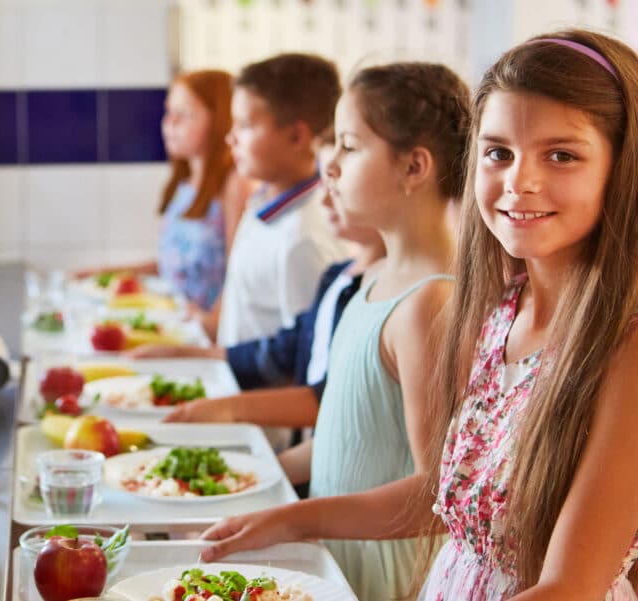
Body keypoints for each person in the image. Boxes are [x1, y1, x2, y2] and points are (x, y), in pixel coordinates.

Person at [202, 30, 638, 601]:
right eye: (498, 152)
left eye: (562, 155)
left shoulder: (622, 348)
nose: (518, 182)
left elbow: (569, 588)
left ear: (621, 169)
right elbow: (445, 499)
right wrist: (291, 517)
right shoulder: (500, 310)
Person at [199, 61, 472, 601]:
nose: (330, 169)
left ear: (414, 167)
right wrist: (254, 483)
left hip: (385, 578)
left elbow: (436, 494)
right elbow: (348, 442)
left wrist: (294, 518)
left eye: (349, 146)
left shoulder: (429, 302)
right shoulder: (372, 279)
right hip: (337, 560)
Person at [131, 132, 386, 455]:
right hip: (302, 454)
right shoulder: (339, 277)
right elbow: (285, 351)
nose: (323, 200)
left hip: (291, 445)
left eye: (350, 147)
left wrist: (230, 408)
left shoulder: (307, 243)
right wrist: (189, 354)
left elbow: (325, 400)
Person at [75, 70, 249, 318]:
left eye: (185, 115)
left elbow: (238, 273)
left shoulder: (234, 185)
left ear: (220, 119)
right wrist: (106, 273)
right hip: (174, 319)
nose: (170, 123)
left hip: (205, 334)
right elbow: (175, 268)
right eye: (169, 112)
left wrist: (210, 327)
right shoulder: (184, 184)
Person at [212, 53, 347, 346]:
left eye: (245, 125)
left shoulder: (303, 239)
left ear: (297, 137)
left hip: (257, 391)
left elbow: (301, 360)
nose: (231, 138)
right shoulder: (262, 203)